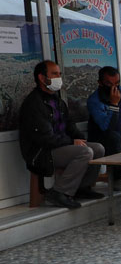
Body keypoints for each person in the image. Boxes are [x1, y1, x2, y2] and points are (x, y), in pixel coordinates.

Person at [19, 61, 105, 209]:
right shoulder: (34, 104)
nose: (59, 77)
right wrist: (72, 142)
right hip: (41, 152)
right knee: (84, 152)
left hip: (59, 146)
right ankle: (59, 192)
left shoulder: (57, 101)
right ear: (41, 77)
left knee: (98, 148)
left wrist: (78, 137)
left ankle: (81, 188)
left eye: (59, 74)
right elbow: (46, 138)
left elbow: (69, 124)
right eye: (54, 74)